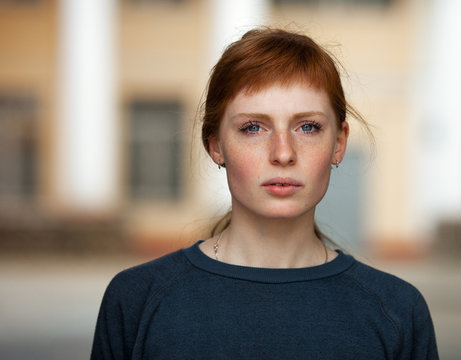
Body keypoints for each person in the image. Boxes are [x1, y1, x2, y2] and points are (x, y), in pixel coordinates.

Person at [91, 28, 438, 359]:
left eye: (308, 127)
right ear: (215, 144)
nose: (283, 153)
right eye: (253, 127)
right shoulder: (135, 300)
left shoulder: (397, 311)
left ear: (339, 142)